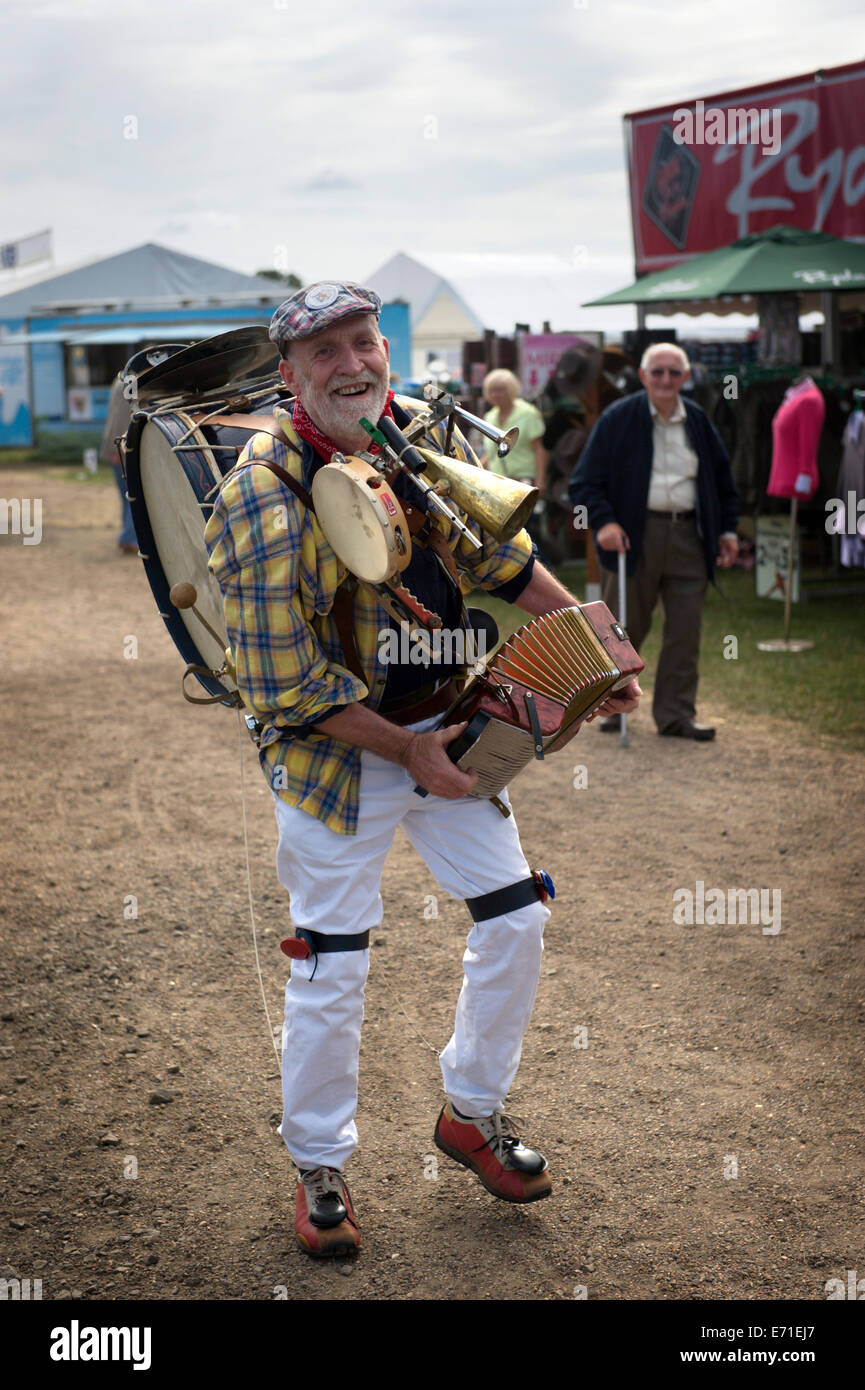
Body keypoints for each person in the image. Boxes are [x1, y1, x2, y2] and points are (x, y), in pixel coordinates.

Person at [204, 282, 641, 1257]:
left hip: (439, 729)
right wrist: (406, 753)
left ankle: (467, 1114)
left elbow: (495, 556)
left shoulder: (403, 437)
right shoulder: (258, 497)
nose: (352, 363)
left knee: (517, 915)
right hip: (336, 754)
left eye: (364, 342)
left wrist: (591, 639)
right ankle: (320, 1165)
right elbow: (283, 687)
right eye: (325, 352)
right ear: (289, 375)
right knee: (332, 960)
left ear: (385, 351)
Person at [568, 342, 739, 741]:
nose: (665, 379)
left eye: (673, 372)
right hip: (632, 537)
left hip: (689, 537)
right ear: (643, 376)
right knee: (623, 629)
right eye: (657, 372)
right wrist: (605, 523)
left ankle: (676, 714)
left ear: (685, 378)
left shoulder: (697, 420)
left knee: (685, 630)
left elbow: (723, 482)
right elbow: (584, 483)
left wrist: (728, 530)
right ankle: (609, 707)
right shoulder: (618, 418)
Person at [481, 369, 548, 494]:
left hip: (523, 482)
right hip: (496, 483)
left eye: (500, 390)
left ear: (511, 390)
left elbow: (540, 449)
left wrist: (541, 479)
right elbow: (490, 453)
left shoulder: (528, 413)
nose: (495, 395)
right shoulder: (489, 416)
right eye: (492, 391)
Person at [100, 373, 137, 554]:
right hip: (124, 446)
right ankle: (129, 537)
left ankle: (129, 535)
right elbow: (127, 416)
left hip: (114, 445)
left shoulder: (119, 380)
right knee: (135, 495)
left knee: (126, 496)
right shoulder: (132, 381)